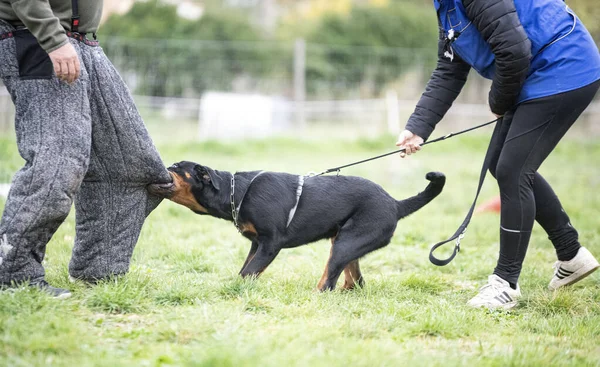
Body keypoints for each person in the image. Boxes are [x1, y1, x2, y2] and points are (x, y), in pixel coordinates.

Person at [396, 0, 600, 309]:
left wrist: (498, 101)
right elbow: (449, 70)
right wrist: (418, 127)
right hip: (535, 72)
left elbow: (514, 50)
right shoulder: (446, 7)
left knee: (513, 170)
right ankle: (570, 253)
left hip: (564, 65)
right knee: (501, 164)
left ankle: (505, 285)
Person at [0, 0, 172, 298]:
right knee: (57, 165)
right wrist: (53, 40)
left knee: (131, 166)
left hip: (85, 43)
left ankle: (99, 268)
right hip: (36, 38)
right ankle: (13, 274)